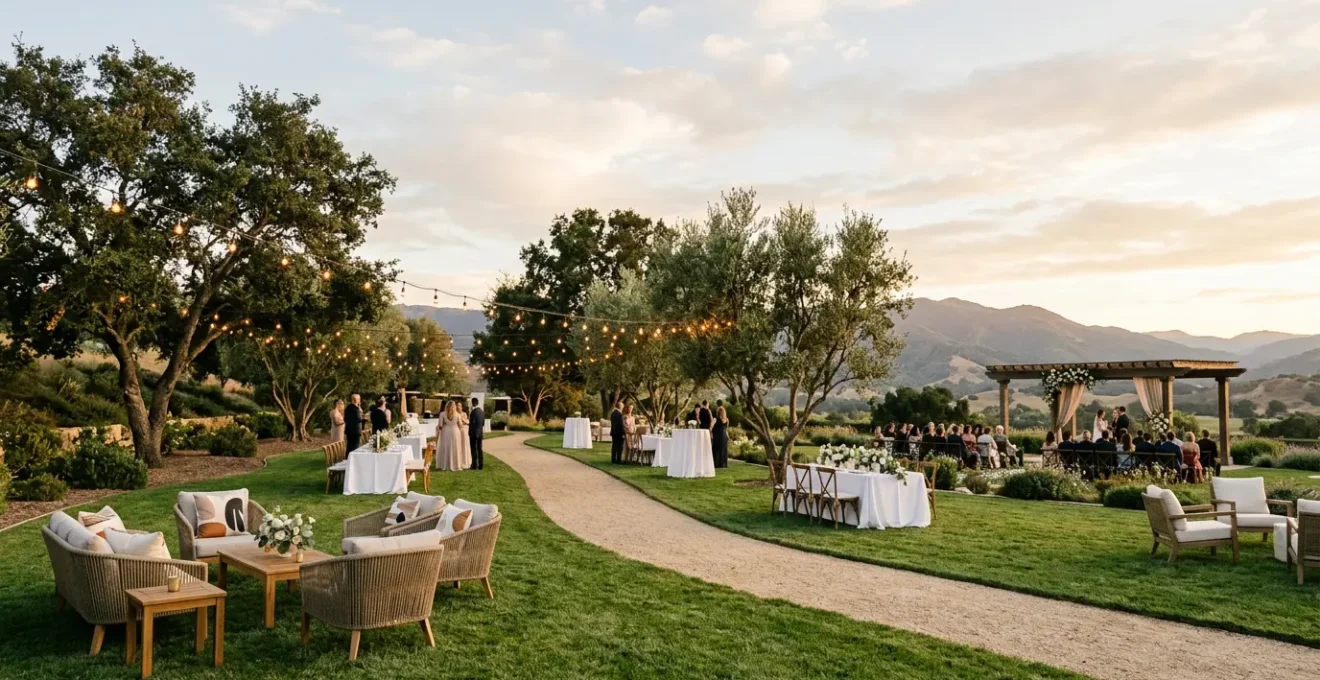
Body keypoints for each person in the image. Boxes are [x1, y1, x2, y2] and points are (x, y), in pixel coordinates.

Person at [435, 401, 471, 471]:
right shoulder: (457, 415)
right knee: (455, 448)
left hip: (446, 432)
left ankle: (446, 464)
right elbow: (460, 425)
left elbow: (440, 426)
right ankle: (456, 464)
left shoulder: (442, 414)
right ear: (454, 407)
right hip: (455, 431)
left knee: (446, 447)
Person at [468, 397, 485, 470]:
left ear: (473, 403)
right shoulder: (482, 412)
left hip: (473, 433)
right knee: (479, 449)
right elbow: (483, 423)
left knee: (473, 449)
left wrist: (470, 431)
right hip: (480, 433)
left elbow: (471, 423)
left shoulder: (473, 412)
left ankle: (474, 465)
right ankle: (481, 465)